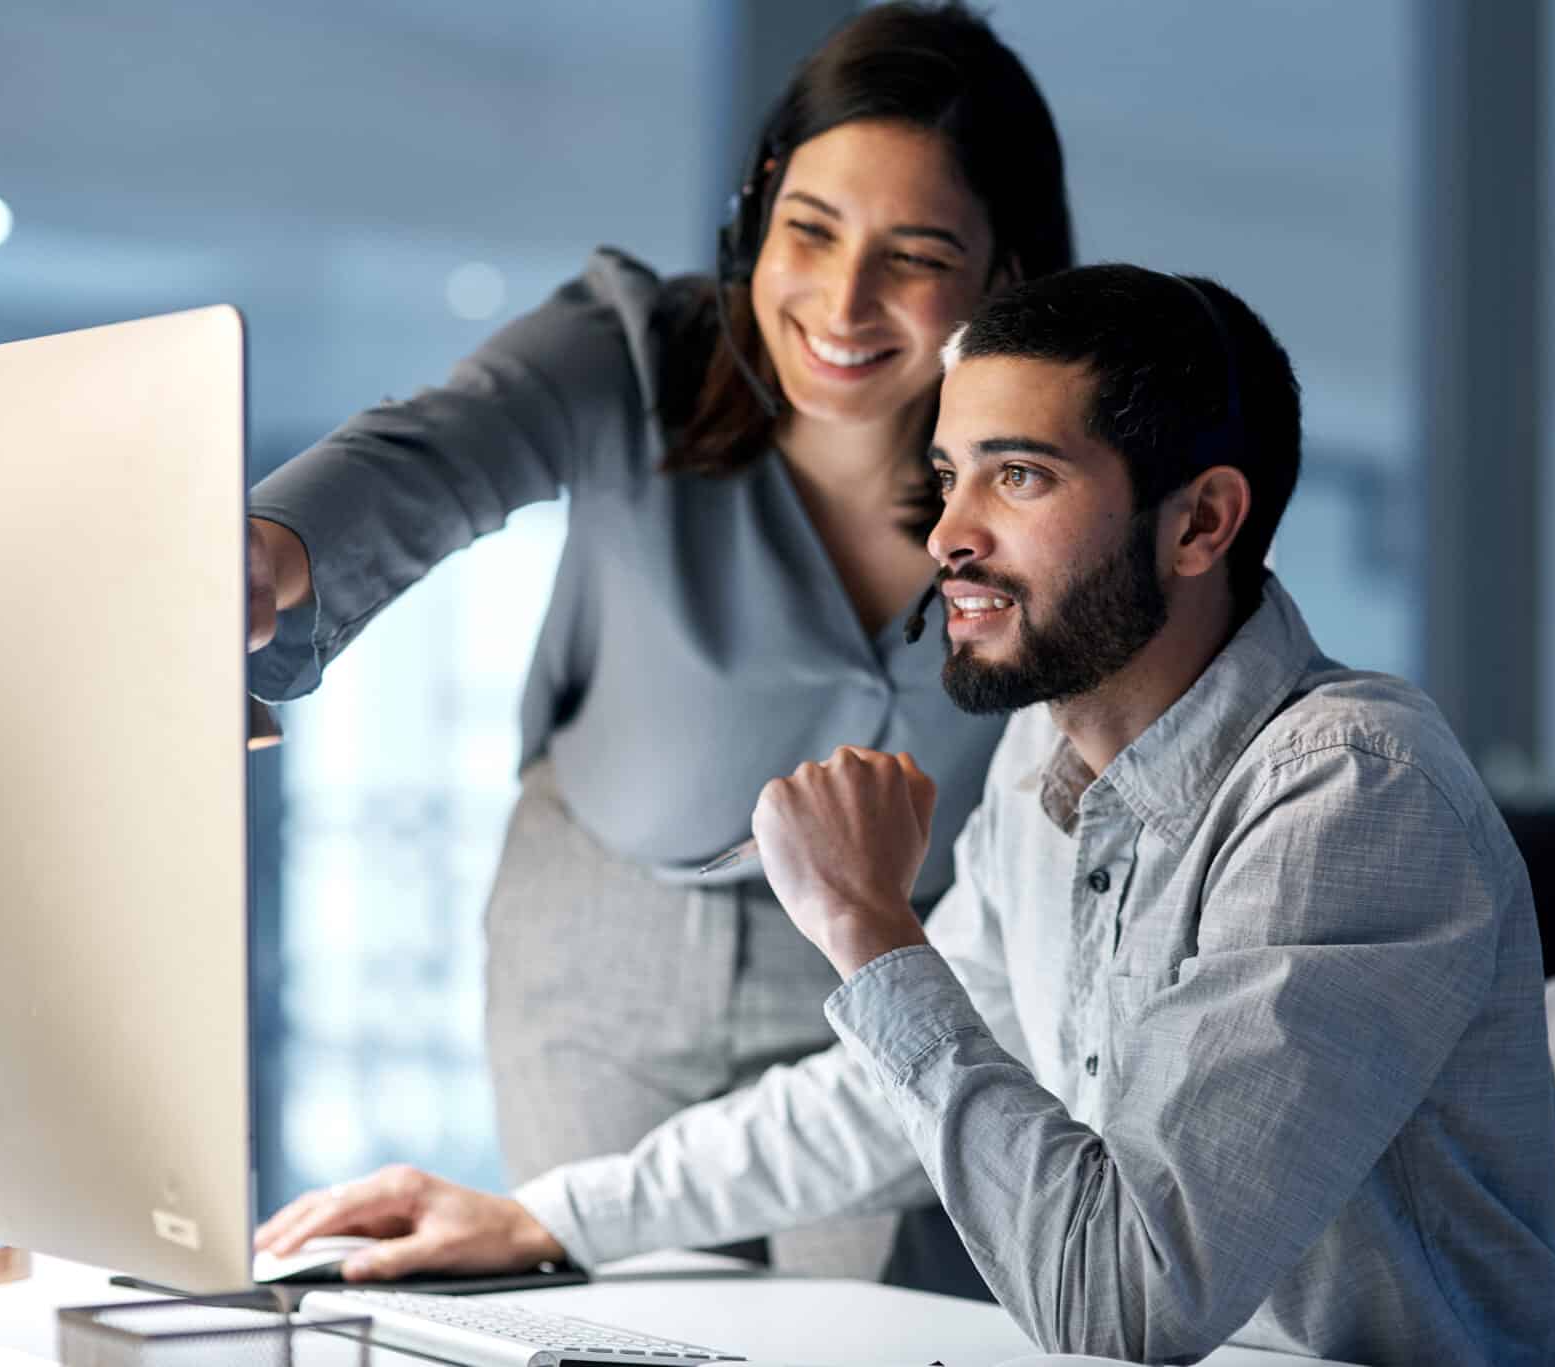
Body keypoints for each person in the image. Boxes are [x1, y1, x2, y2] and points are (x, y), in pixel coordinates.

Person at [256, 264, 1555, 1365]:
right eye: (950, 472)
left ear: (1201, 525)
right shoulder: (1045, 755)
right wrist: (546, 1210)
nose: (948, 530)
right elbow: (881, 1098)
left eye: (1017, 476)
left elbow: (1128, 1300)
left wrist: (864, 924)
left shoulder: (1346, 794)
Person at [244, 2, 1073, 1284]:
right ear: (755, 211)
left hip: (884, 955)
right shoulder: (631, 350)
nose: (841, 299)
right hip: (606, 945)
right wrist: (274, 547)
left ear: (1003, 273)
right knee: (623, 1311)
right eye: (808, 230)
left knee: (881, 1323)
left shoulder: (1041, 474)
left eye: (912, 253)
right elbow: (440, 446)